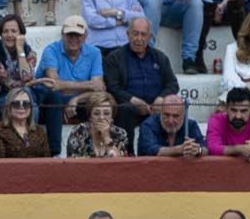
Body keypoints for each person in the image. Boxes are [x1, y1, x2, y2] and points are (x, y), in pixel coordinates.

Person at [103, 16, 178, 150]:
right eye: (135, 33)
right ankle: (127, 151)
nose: (139, 38)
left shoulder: (160, 57)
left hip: (156, 109)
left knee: (174, 106)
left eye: (143, 34)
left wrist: (161, 98)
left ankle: (170, 151)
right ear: (128, 35)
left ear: (149, 37)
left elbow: (172, 84)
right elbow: (112, 87)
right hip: (129, 109)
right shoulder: (114, 57)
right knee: (125, 108)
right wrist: (132, 100)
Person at [35, 15, 105, 156]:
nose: (73, 38)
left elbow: (99, 88)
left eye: (77, 35)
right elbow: (54, 85)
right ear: (62, 34)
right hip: (50, 102)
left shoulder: (94, 52)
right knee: (54, 97)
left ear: (85, 36)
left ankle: (100, 148)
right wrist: (89, 85)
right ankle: (54, 152)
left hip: (78, 101)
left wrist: (76, 99)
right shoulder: (51, 50)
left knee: (103, 100)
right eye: (69, 34)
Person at [207, 86, 250, 159]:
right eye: (233, 110)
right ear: (227, 108)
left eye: (244, 111)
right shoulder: (216, 120)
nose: (238, 116)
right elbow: (211, 148)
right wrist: (239, 149)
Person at [0, 13, 39, 103]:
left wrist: (20, 50)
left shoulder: (30, 52)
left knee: (32, 97)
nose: (9, 35)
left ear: (21, 34)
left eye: (14, 31)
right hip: (2, 93)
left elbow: (26, 77)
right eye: (5, 31)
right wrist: (28, 84)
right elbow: (7, 83)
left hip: (26, 91)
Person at [137, 93, 206, 156]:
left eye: (175, 116)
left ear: (183, 115)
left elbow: (205, 149)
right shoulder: (148, 125)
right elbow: (151, 150)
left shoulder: (191, 125)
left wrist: (198, 150)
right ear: (161, 112)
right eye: (166, 115)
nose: (170, 121)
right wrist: (178, 150)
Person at [0, 86, 48, 158]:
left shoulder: (40, 131)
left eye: (26, 104)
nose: (21, 107)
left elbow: (46, 159)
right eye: (16, 104)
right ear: (8, 107)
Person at [66, 91, 127, 158]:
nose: (101, 117)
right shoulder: (78, 132)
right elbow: (72, 163)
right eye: (96, 114)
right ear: (90, 117)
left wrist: (106, 137)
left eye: (106, 113)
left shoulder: (120, 134)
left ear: (112, 117)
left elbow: (120, 164)